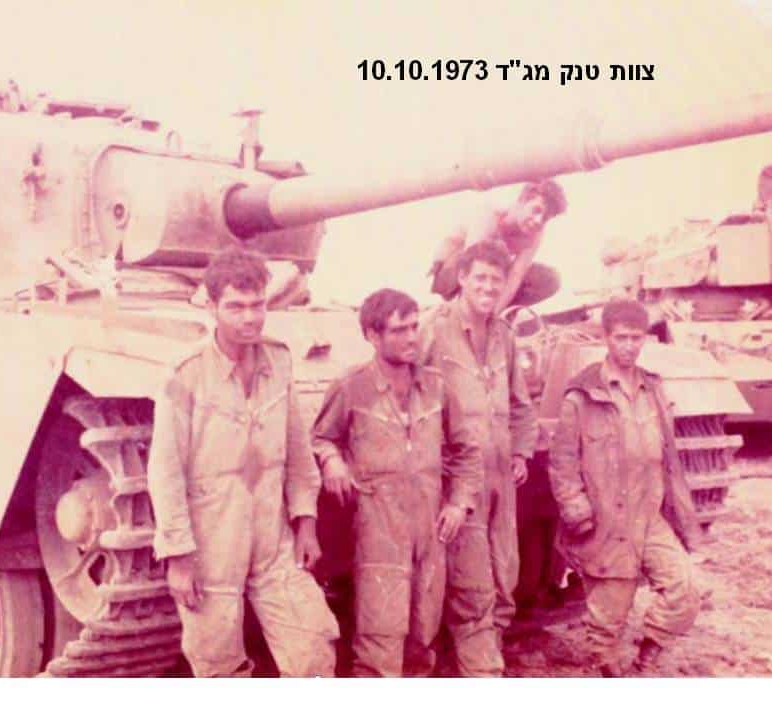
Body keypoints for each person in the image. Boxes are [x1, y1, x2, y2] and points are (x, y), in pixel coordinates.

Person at [147, 248, 339, 677]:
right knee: (217, 663)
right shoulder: (186, 373)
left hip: (273, 536)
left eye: (258, 305)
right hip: (211, 540)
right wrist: (178, 554)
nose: (250, 318)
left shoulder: (278, 359)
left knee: (312, 647)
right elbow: (165, 470)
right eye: (235, 307)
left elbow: (297, 448)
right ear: (212, 307)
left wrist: (306, 521)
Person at [311, 289, 483, 677]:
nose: (411, 338)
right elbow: (321, 437)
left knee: (424, 631)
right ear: (372, 336)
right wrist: (332, 460)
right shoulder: (352, 386)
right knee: (380, 635)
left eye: (414, 327)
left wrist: (459, 503)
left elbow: (466, 449)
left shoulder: (435, 385)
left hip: (430, 526)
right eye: (399, 330)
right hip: (378, 527)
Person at [548, 298, 702, 676]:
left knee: (685, 589)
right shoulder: (583, 395)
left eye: (637, 338)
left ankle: (647, 655)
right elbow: (562, 460)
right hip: (608, 521)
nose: (629, 346)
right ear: (606, 337)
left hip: (650, 516)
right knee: (607, 620)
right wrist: (575, 507)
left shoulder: (653, 388)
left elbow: (669, 454)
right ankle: (609, 672)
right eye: (621, 337)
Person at [419, 242, 539, 676]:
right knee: (472, 583)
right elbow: (408, 392)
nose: (489, 287)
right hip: (456, 476)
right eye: (480, 278)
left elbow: (520, 402)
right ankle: (481, 669)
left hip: (501, 475)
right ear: (462, 279)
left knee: (505, 572)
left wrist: (522, 450)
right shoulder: (433, 329)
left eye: (496, 279)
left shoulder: (504, 335)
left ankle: (486, 653)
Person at [430, 180, 567, 312]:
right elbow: (470, 267)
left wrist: (493, 314)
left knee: (549, 279)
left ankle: (493, 315)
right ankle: (462, 312)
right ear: (522, 200)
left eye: (545, 218)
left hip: (486, 274)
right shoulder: (490, 214)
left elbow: (516, 276)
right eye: (536, 210)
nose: (538, 220)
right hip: (452, 273)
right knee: (494, 252)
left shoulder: (535, 234)